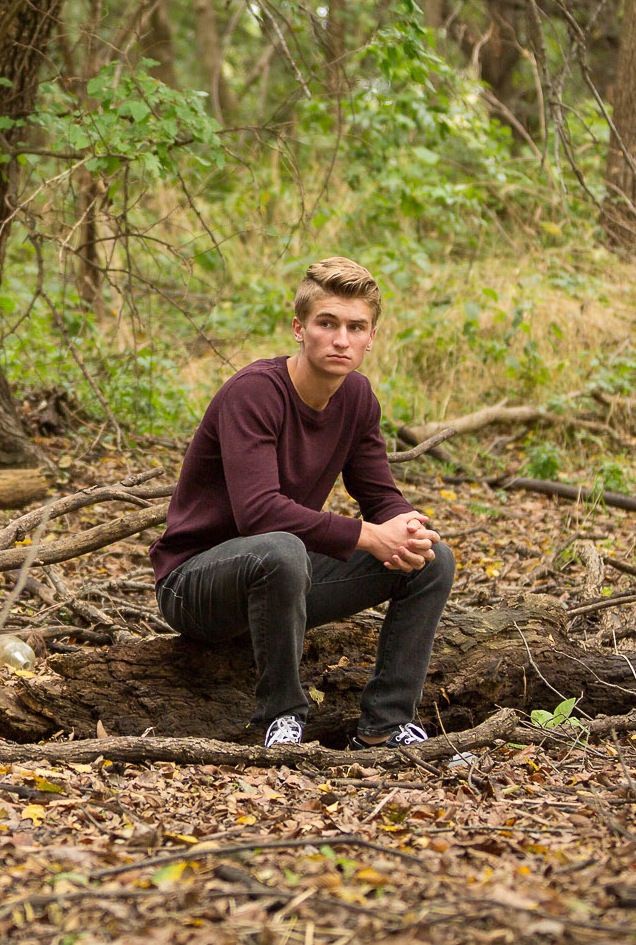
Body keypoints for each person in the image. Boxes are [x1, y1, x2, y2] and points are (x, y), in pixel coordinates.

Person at [150, 256, 457, 751]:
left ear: (371, 337)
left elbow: (378, 494)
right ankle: (281, 719)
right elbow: (259, 513)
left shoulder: (357, 398)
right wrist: (368, 536)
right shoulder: (254, 393)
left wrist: (406, 527)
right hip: (194, 587)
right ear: (299, 328)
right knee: (281, 549)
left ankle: (386, 724)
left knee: (431, 562)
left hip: (280, 587)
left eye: (356, 327)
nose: (341, 339)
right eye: (327, 323)